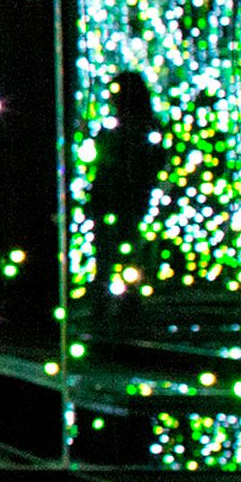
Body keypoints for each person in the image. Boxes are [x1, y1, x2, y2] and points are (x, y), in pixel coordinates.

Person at [84, 70, 167, 321]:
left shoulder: (131, 128)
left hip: (122, 195)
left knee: (113, 250)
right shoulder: (137, 127)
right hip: (122, 196)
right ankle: (121, 300)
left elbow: (152, 159)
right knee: (121, 249)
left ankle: (117, 301)